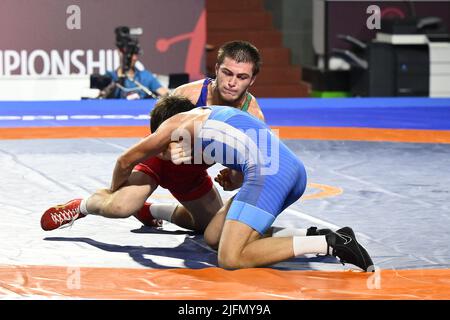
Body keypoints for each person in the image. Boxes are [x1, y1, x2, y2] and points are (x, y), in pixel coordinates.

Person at [40, 96, 374, 271]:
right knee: (213, 235)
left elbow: (124, 159)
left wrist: (242, 176)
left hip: (270, 175)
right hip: (289, 171)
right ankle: (307, 236)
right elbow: (255, 147)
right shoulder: (208, 116)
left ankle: (329, 243)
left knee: (231, 258)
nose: (172, 150)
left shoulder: (177, 125)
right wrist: (237, 176)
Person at [42, 40, 267, 234]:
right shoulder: (188, 94)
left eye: (241, 76)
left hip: (193, 174)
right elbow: (152, 135)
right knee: (120, 207)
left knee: (208, 227)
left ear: (253, 80)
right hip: (157, 164)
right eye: (227, 73)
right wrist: (164, 151)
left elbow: (249, 172)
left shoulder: (253, 118)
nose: (232, 82)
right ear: (216, 68)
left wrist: (234, 179)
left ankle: (150, 210)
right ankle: (82, 206)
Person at [102, 26, 170, 99]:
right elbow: (99, 98)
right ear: (119, 52)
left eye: (135, 53)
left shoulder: (145, 77)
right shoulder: (110, 77)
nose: (133, 58)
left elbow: (166, 94)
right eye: (129, 53)